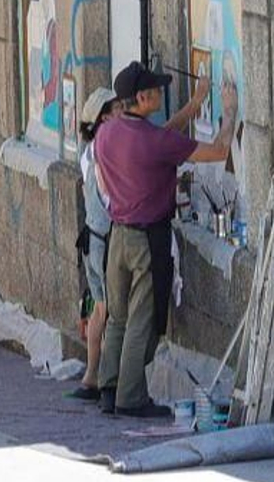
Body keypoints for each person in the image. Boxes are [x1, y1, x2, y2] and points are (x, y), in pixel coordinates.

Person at [94, 61, 236, 418]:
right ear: (142, 98)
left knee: (118, 317)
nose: (161, 94)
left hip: (119, 238)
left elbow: (163, 141)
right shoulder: (154, 142)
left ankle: (109, 388)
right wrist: (230, 112)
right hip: (147, 239)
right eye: (157, 91)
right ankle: (131, 398)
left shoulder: (107, 132)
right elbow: (217, 151)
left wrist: (195, 103)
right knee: (143, 318)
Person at [66, 87, 124, 402]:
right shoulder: (103, 153)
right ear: (104, 117)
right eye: (117, 109)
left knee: (99, 308)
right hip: (103, 239)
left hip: (91, 237)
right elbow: (110, 196)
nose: (122, 112)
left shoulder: (87, 152)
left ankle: (91, 375)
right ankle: (107, 380)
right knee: (109, 310)